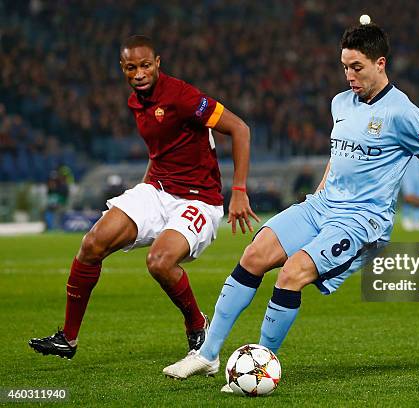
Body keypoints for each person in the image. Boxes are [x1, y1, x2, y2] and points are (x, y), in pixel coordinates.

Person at [162, 23, 419, 384]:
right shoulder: (340, 102)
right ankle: (207, 354)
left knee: (291, 274)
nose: (349, 75)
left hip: (361, 221)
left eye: (357, 67)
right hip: (322, 206)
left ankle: (261, 366)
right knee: (254, 255)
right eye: (345, 66)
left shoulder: (403, 112)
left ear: (381, 63)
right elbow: (339, 154)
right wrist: (319, 192)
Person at [28, 35, 259, 359]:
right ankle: (68, 337)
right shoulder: (136, 102)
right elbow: (160, 150)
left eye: (145, 65)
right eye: (131, 67)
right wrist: (143, 192)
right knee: (92, 243)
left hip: (198, 200)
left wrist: (238, 191)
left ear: (158, 63)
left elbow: (240, 129)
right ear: (122, 69)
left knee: (159, 262)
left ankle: (196, 325)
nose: (139, 73)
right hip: (158, 190)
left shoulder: (182, 96)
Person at [400, 158, 419, 231]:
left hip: (418, 173)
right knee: (408, 196)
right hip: (406, 171)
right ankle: (406, 219)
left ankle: (417, 221)